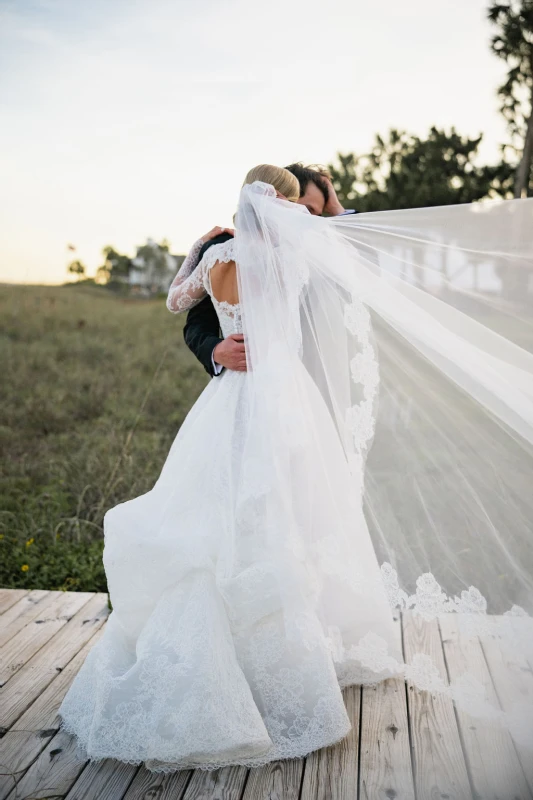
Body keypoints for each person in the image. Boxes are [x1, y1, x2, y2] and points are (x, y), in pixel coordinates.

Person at [58, 164, 533, 770]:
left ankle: (280, 651)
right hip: (278, 400)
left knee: (268, 516)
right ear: (281, 205)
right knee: (262, 517)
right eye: (297, 208)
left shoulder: (219, 256)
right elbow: (197, 321)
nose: (304, 219)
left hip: (238, 406)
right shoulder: (295, 256)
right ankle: (266, 663)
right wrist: (217, 347)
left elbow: (180, 298)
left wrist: (199, 255)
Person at [184, 163, 355, 378]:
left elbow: (360, 268)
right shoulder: (223, 250)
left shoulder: (314, 254)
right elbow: (197, 323)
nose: (309, 219)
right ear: (280, 199)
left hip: (311, 382)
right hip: (244, 381)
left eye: (318, 215)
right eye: (307, 209)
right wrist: (215, 350)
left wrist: (338, 210)